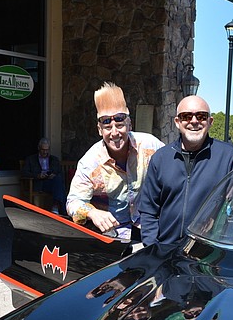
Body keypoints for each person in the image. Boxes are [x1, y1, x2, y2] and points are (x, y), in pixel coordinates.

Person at [139, 96, 233, 245]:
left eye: (201, 116)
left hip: (208, 253)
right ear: (177, 122)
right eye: (186, 116)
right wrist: (152, 248)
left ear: (210, 122)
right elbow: (149, 210)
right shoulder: (160, 159)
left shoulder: (228, 157)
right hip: (166, 252)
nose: (194, 121)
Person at [67, 82, 164, 240]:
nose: (114, 133)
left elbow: (174, 171)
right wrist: (92, 212)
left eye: (120, 125)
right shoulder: (89, 162)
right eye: (107, 127)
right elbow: (73, 202)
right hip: (114, 235)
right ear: (100, 129)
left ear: (129, 124)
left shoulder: (150, 146)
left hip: (150, 227)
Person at [22, 137, 66, 214]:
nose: (45, 152)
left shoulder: (54, 159)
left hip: (51, 182)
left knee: (58, 180)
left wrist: (53, 174)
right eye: (43, 150)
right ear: (39, 148)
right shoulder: (31, 159)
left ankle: (56, 207)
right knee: (60, 187)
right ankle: (60, 209)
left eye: (47, 150)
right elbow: (24, 173)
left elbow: (59, 172)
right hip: (38, 183)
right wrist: (38, 175)